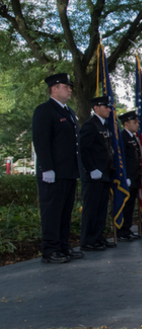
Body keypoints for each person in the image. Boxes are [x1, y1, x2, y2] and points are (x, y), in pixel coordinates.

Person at [32, 73, 83, 264]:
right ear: (54, 88)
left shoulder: (69, 112)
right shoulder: (44, 110)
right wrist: (46, 167)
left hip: (68, 172)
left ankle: (63, 246)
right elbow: (41, 141)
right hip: (52, 173)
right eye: (66, 86)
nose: (70, 89)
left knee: (64, 212)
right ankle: (50, 250)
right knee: (52, 212)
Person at [78, 96, 116, 251]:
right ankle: (87, 240)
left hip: (104, 174)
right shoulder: (90, 126)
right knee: (91, 209)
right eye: (106, 107)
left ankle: (98, 237)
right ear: (96, 108)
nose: (109, 109)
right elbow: (83, 150)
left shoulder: (105, 126)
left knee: (101, 209)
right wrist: (91, 169)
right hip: (93, 175)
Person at [118, 110, 142, 241]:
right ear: (126, 123)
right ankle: (121, 230)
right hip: (127, 178)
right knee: (125, 205)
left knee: (130, 205)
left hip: (134, 177)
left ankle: (126, 229)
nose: (137, 125)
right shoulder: (122, 137)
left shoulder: (132, 138)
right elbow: (121, 158)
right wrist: (124, 176)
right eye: (135, 122)